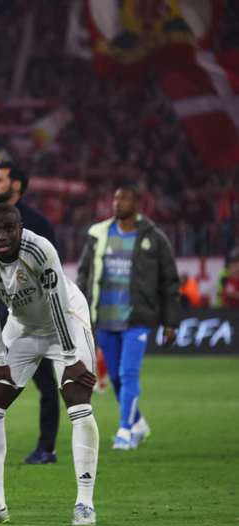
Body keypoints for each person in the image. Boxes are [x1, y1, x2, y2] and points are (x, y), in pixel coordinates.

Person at [0, 204, 99, 526]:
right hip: (23, 327)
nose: (2, 236)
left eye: (9, 228)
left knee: (78, 403)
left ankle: (85, 503)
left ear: (21, 228)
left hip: (67, 321)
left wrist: (70, 355)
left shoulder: (39, 249)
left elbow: (57, 302)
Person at [76, 185, 179, 450]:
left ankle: (124, 431)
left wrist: (171, 322)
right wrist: (81, 310)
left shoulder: (154, 239)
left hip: (137, 318)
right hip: (106, 318)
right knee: (117, 380)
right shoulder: (99, 234)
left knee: (128, 373)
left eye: (124, 198)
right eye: (115, 197)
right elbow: (84, 274)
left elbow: (169, 282)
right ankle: (138, 423)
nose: (117, 202)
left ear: (138, 203)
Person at [0, 161, 61, 465]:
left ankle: (47, 448)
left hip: (35, 319)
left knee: (45, 384)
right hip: (1, 317)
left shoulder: (39, 224)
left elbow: (51, 272)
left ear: (16, 185)